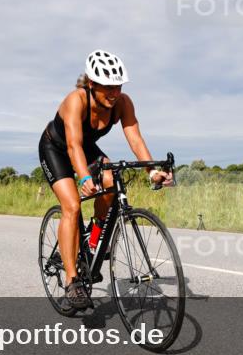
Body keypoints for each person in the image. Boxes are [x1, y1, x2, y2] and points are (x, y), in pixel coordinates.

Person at [38, 50, 173, 309]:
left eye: (118, 86)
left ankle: (94, 237)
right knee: (72, 206)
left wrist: (152, 171)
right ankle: (72, 281)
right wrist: (84, 177)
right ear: (91, 83)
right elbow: (73, 146)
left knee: (111, 179)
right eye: (108, 87)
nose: (114, 93)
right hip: (55, 148)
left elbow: (135, 139)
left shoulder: (122, 103)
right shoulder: (76, 100)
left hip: (85, 148)